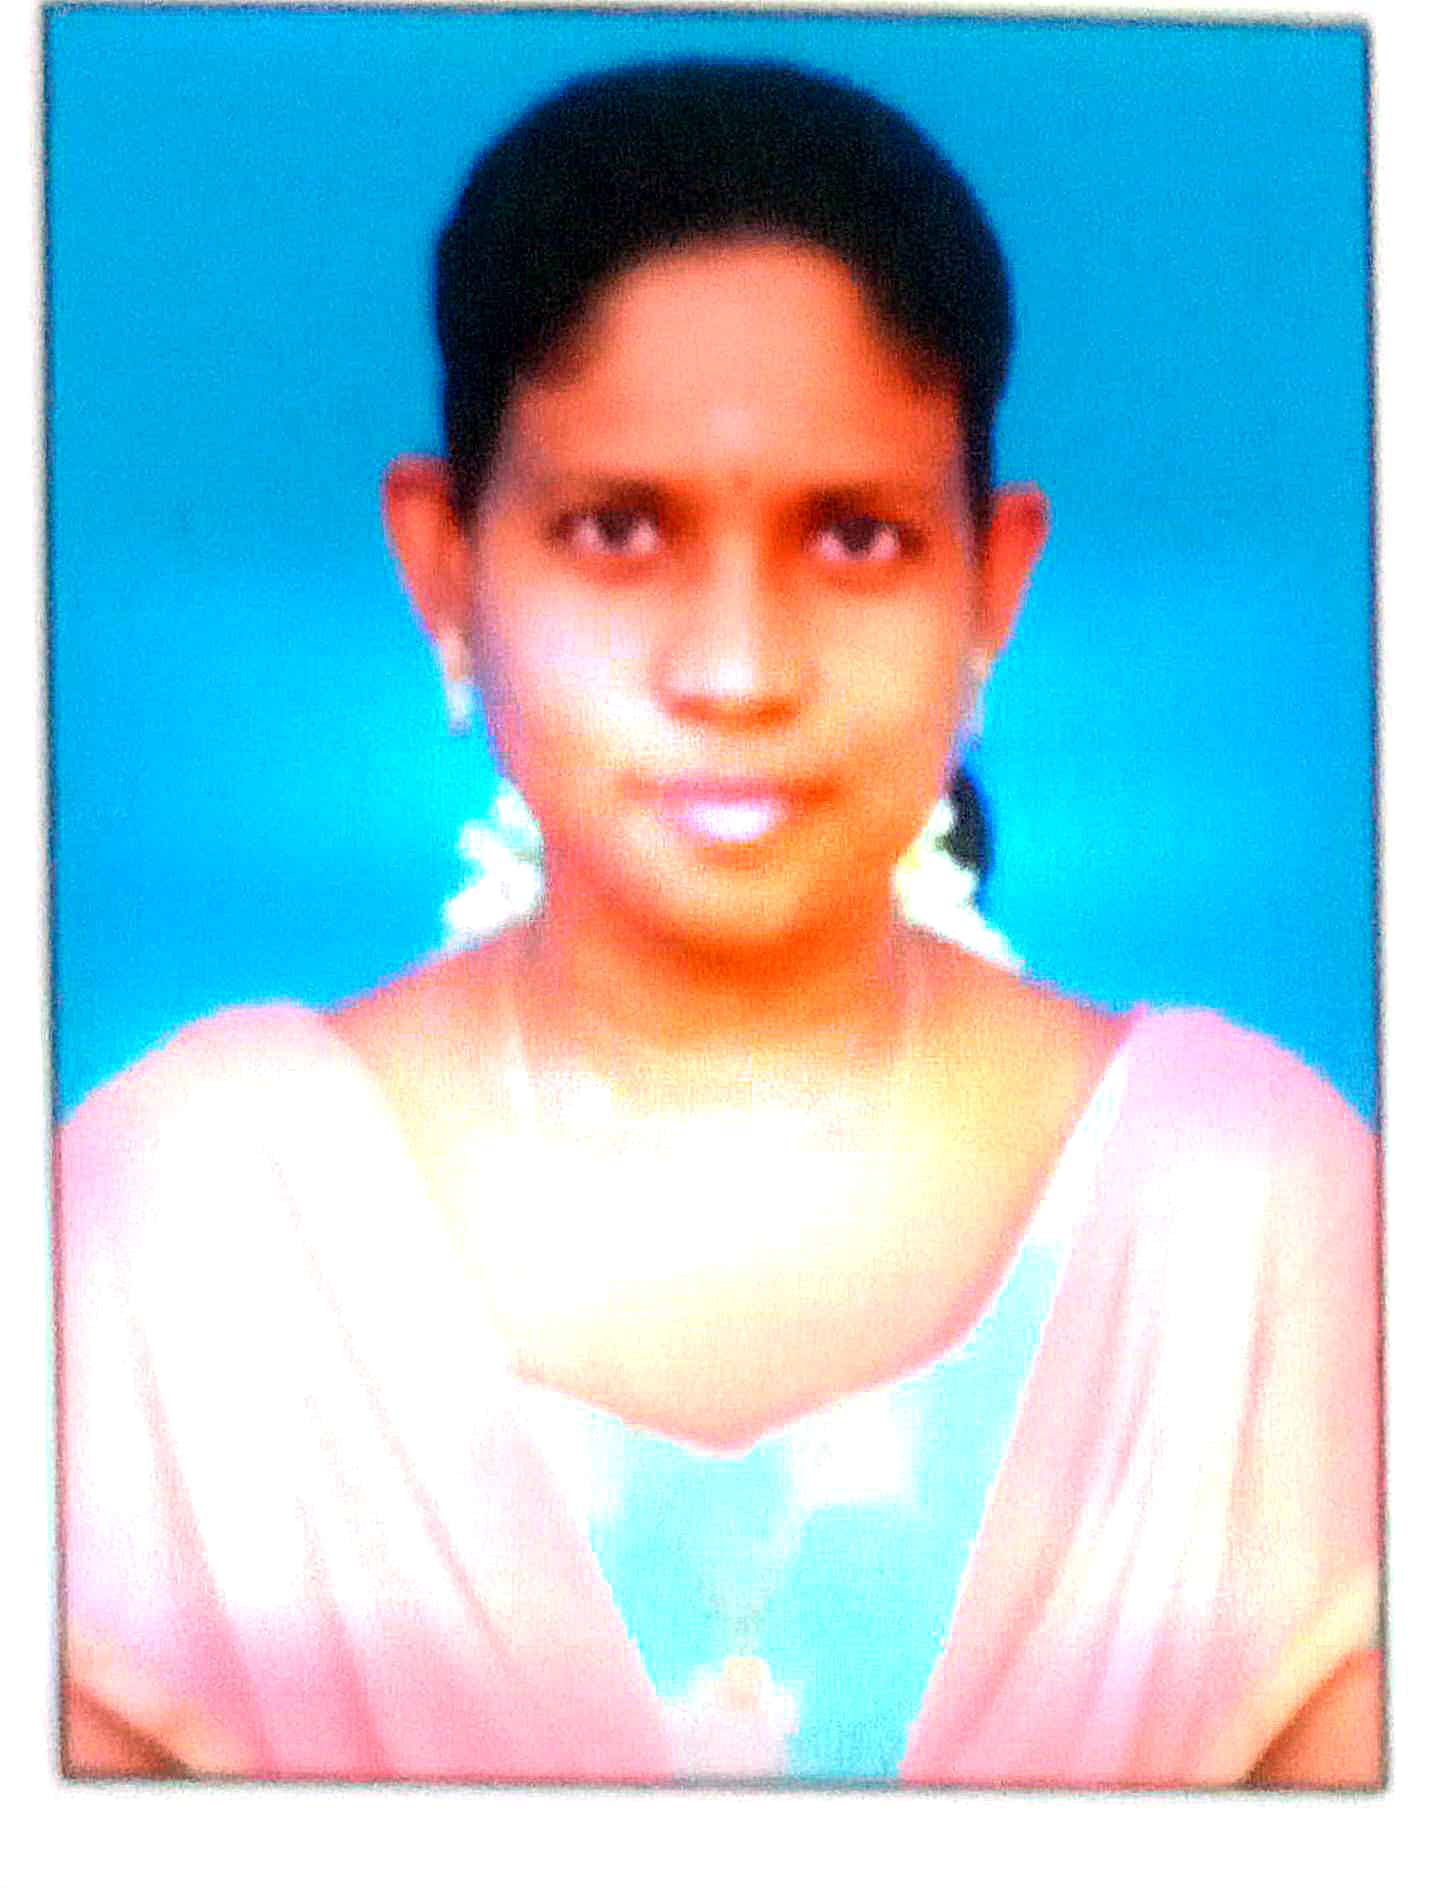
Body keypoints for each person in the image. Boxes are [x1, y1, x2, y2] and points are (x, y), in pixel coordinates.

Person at [57, 58, 1380, 1786]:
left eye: (856, 537)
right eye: (619, 530)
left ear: (992, 584)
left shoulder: (1250, 1221)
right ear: (446, 565)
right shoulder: (179, 1232)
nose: (739, 672)